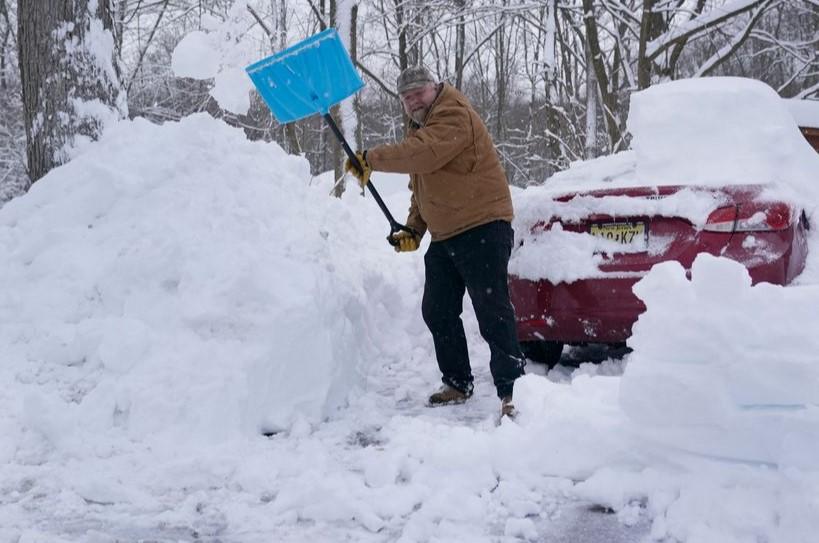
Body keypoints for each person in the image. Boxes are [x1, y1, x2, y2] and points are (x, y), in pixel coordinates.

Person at [344, 65, 525, 418]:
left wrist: (372, 159)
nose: (413, 101)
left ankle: (514, 389)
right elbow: (422, 187)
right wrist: (414, 229)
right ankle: (458, 382)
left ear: (435, 88)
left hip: (483, 226)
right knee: (437, 309)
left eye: (419, 93)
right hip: (447, 234)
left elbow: (422, 154)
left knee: (492, 311)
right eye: (406, 97)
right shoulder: (422, 129)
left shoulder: (453, 114)